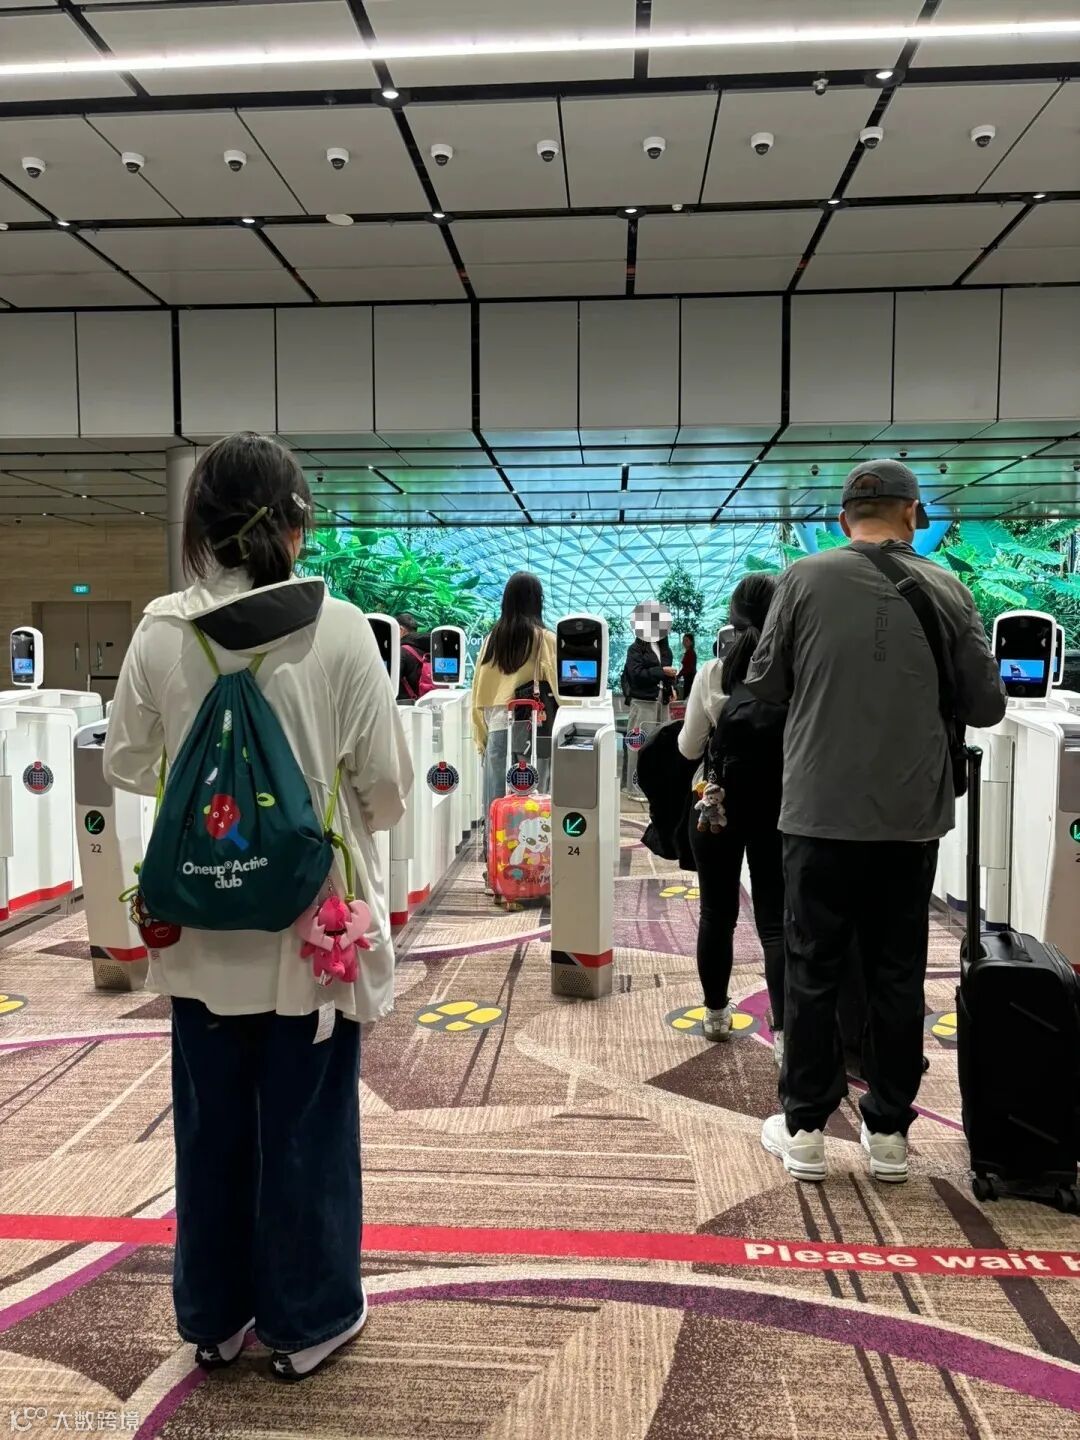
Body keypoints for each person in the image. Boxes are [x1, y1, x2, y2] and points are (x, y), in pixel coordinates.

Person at [104, 432, 412, 1381]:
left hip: (199, 930)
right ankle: (307, 1316)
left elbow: (125, 763)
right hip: (309, 935)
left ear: (199, 525)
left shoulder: (161, 633)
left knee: (211, 1130)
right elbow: (387, 788)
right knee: (306, 1130)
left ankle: (215, 1314)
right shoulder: (342, 630)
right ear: (295, 523)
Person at [747, 459, 1006, 1186]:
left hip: (818, 811)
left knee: (812, 966)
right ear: (913, 515)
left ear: (842, 519)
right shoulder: (948, 588)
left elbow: (765, 684)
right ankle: (889, 1131)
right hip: (908, 817)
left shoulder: (802, 579)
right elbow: (986, 705)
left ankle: (805, 1130)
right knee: (897, 971)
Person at [678, 577, 787, 1057]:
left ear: (733, 619)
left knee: (716, 913)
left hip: (717, 808)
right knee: (776, 922)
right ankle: (786, 1031)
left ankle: (716, 1014)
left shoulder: (714, 673)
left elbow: (687, 748)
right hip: (780, 807)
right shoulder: (795, 671)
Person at [470, 572, 557, 848]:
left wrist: (480, 737)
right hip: (532, 729)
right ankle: (533, 857)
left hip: (496, 727)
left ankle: (496, 856)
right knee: (533, 795)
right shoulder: (544, 639)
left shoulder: (491, 640)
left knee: (496, 798)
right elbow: (559, 687)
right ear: (537, 601)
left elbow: (477, 692)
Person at [623, 601, 678, 795]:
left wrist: (671, 688)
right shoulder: (635, 649)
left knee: (661, 745)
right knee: (638, 745)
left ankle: (656, 788)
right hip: (643, 702)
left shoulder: (665, 649)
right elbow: (635, 675)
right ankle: (635, 788)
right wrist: (662, 672)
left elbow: (665, 675)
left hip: (662, 702)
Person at [396, 612, 423, 702]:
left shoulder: (401, 651)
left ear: (401, 630)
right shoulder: (425, 648)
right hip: (422, 701)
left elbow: (392, 681)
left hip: (404, 703)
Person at [678, 632, 698, 700]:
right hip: (688, 678)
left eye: (686, 640)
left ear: (691, 642)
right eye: (683, 640)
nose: (684, 642)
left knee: (688, 697)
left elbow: (688, 668)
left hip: (690, 678)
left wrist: (679, 675)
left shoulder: (691, 653)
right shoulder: (688, 652)